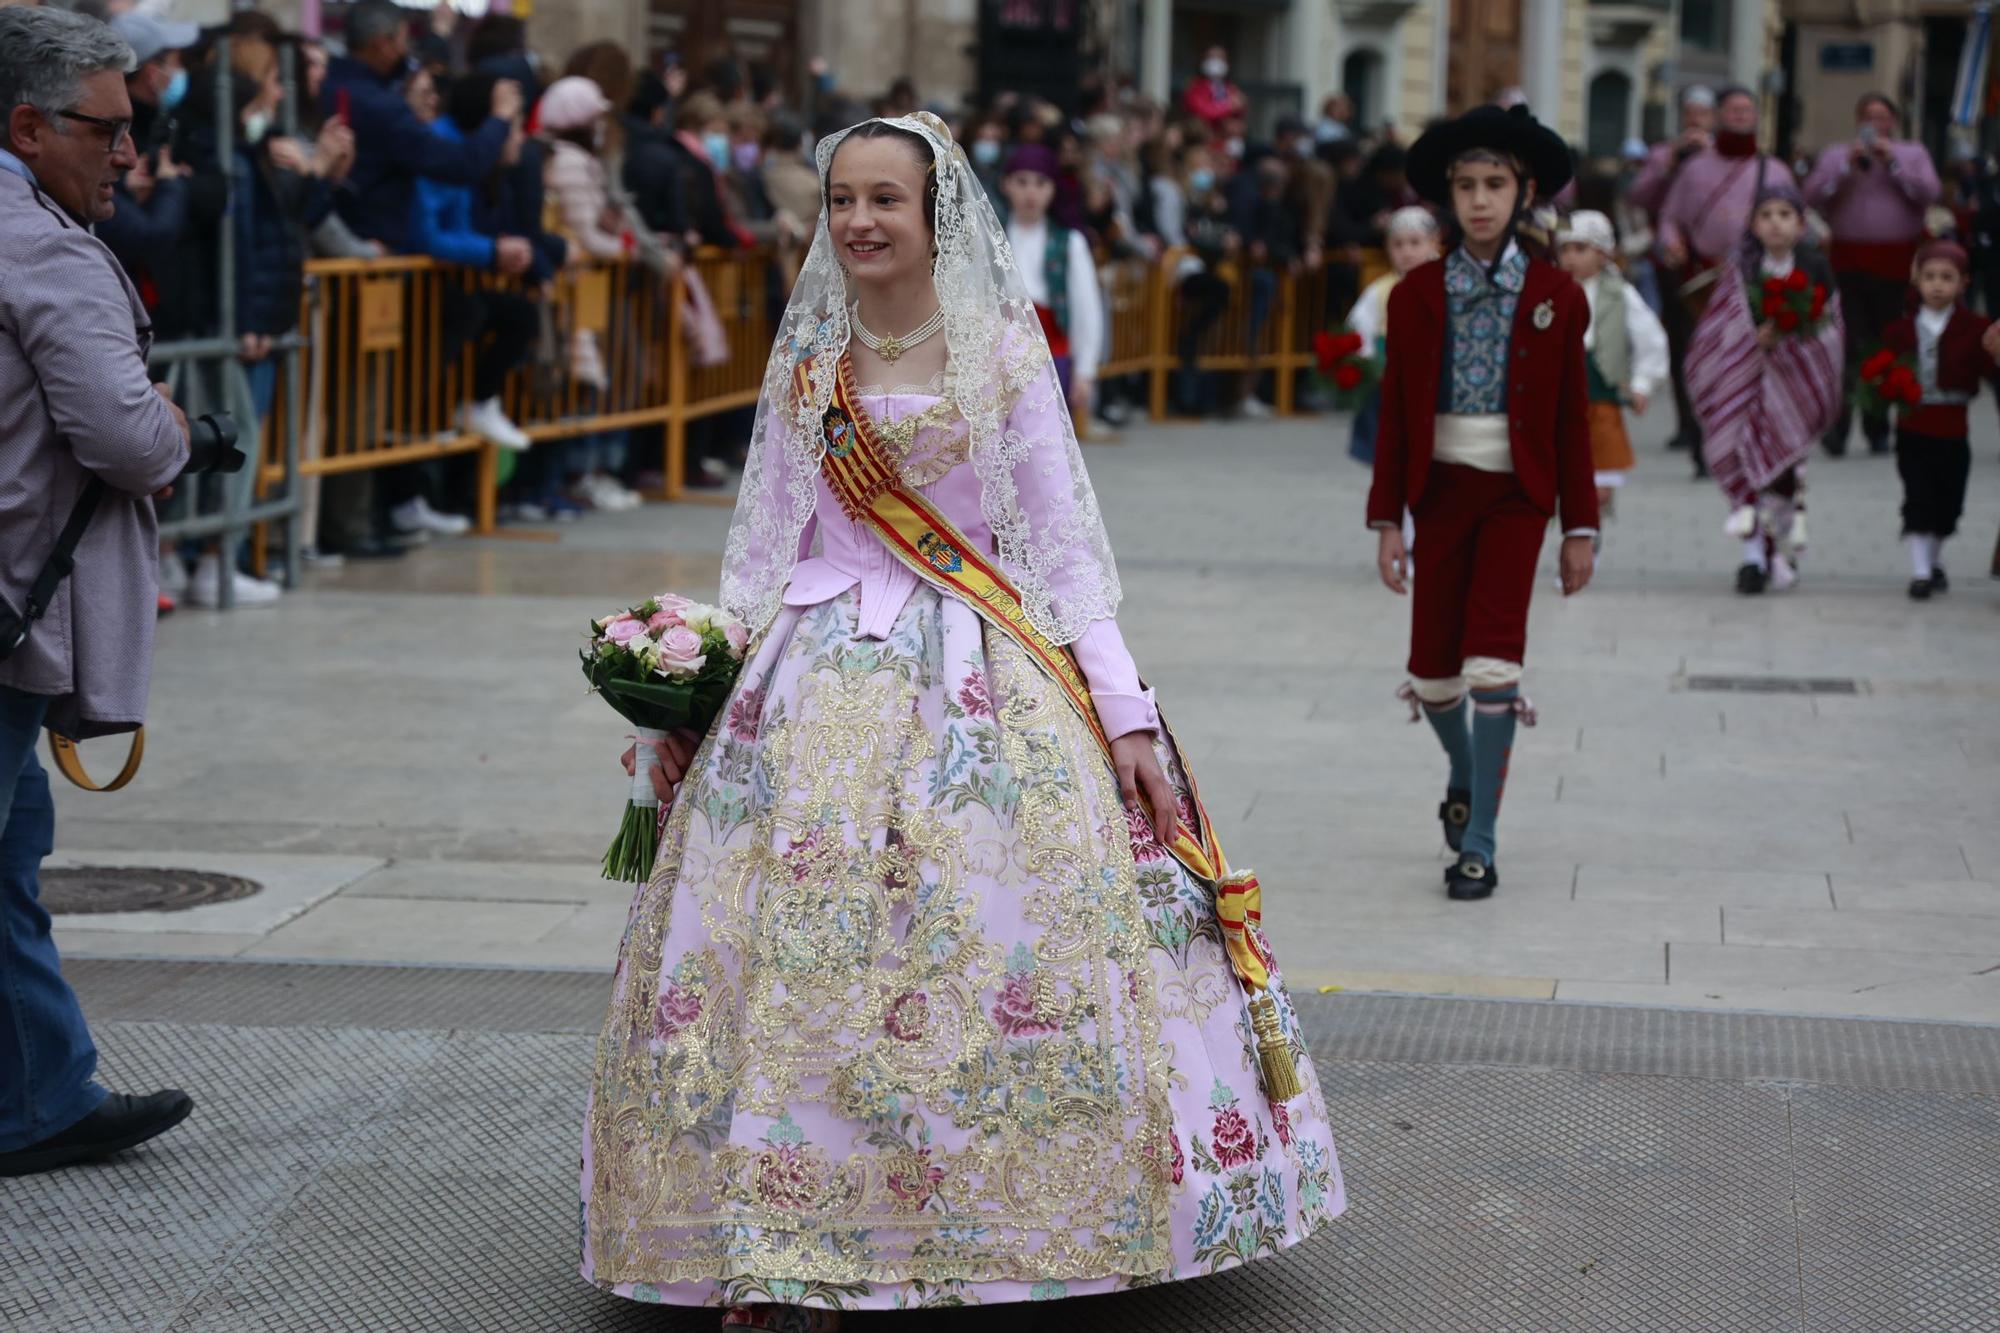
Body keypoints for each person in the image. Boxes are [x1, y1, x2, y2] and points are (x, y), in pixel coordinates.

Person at [580, 113, 1343, 1328]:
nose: (859, 222)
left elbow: (1061, 552)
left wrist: (1126, 713)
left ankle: (1012, 1224)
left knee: (989, 943)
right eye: (840, 200)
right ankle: (782, 1239)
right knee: (800, 962)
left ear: (937, 217)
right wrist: (691, 688)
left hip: (979, 673)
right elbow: (766, 542)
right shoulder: (807, 363)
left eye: (885, 198)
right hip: (814, 680)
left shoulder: (998, 351)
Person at [0, 5, 196, 1177]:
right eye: (107, 130)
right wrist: (176, 422)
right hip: (11, 604)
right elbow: (129, 437)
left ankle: (45, 1092)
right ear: (28, 126)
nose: (128, 153)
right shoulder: (42, 246)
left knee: (15, 838)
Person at [1367, 104, 1599, 902]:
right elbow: (1396, 413)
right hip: (1439, 493)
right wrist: (1385, 519)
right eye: (1465, 185)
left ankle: (1479, 842)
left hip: (1517, 497)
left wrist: (1581, 527)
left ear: (1523, 191)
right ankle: (1465, 772)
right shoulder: (1417, 294)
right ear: (1446, 199)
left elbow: (1573, 417)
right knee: (1434, 676)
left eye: (1494, 183)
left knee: (1494, 664)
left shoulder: (1557, 295)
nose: (1479, 200)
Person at [1685, 183, 1843, 596]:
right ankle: (1753, 558)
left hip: (1794, 389)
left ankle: (1780, 545)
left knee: (1783, 475)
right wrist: (1748, 339)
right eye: (1766, 215)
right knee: (1743, 463)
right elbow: (1720, 325)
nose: (1776, 223)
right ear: (1754, 224)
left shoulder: (1814, 267)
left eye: (1784, 215)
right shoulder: (1742, 269)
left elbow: (1830, 329)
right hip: (1746, 385)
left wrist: (1793, 339)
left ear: (1801, 223)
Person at [1652, 88, 1796, 474]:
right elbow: (1668, 217)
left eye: (1747, 109)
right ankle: (1703, 444)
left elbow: (1798, 220)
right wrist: (1671, 242)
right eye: (1732, 109)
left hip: (1756, 278)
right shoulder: (1694, 167)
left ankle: (1749, 443)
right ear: (1717, 115)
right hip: (1703, 279)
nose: (1740, 115)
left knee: (1752, 362)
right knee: (1703, 362)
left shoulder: (1775, 169)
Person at [1803, 93, 1942, 457]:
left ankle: (1879, 425)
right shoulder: (1837, 154)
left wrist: (1894, 164)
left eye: (1882, 117)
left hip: (1895, 263)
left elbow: (1930, 193)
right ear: (1858, 121)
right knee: (1844, 344)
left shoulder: (1912, 153)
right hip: (1846, 262)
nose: (1875, 124)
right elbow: (1810, 196)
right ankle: (1838, 427)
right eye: (1868, 117)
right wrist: (1844, 169)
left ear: (1892, 122)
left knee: (1886, 345)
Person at [1878, 241, 2000, 598]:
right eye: (1929, 277)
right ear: (1916, 280)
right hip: (1913, 426)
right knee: (1918, 495)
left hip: (1953, 428)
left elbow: (1992, 373)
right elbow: (1880, 370)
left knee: (1949, 501)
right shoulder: (1900, 330)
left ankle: (1933, 558)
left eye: (1946, 278)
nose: (1936, 285)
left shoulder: (1974, 328)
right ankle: (1920, 570)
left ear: (1963, 283)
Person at [1554, 210, 1668, 533]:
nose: (1570, 258)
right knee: (1564, 469)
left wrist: (1643, 383)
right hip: (1561, 396)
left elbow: (1650, 338)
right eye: (1564, 250)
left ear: (1603, 254)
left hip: (1601, 393)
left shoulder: (1620, 294)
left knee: (1601, 475)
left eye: (1580, 249)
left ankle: (1594, 523)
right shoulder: (1552, 293)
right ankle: (1575, 525)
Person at [1000, 142, 1106, 426]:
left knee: (1045, 454)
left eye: (1040, 183)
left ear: (1053, 189)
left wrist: (1085, 370)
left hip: (1052, 356)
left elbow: (1087, 309)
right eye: (1021, 182)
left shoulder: (1069, 242)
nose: (1030, 192)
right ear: (1006, 184)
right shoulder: (990, 239)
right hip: (997, 359)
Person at [1345, 205, 1441, 466]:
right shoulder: (1380, 290)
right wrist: (1367, 363)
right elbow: (1359, 329)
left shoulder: (1447, 286)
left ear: (1434, 243)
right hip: (1389, 378)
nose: (1406, 251)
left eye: (1414, 243)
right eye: (1398, 244)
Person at [1182, 45, 1245, 131]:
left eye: (1219, 58)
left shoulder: (1231, 88)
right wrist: (1229, 107)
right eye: (1211, 58)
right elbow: (1202, 112)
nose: (1215, 62)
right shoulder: (1194, 88)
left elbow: (1239, 113)